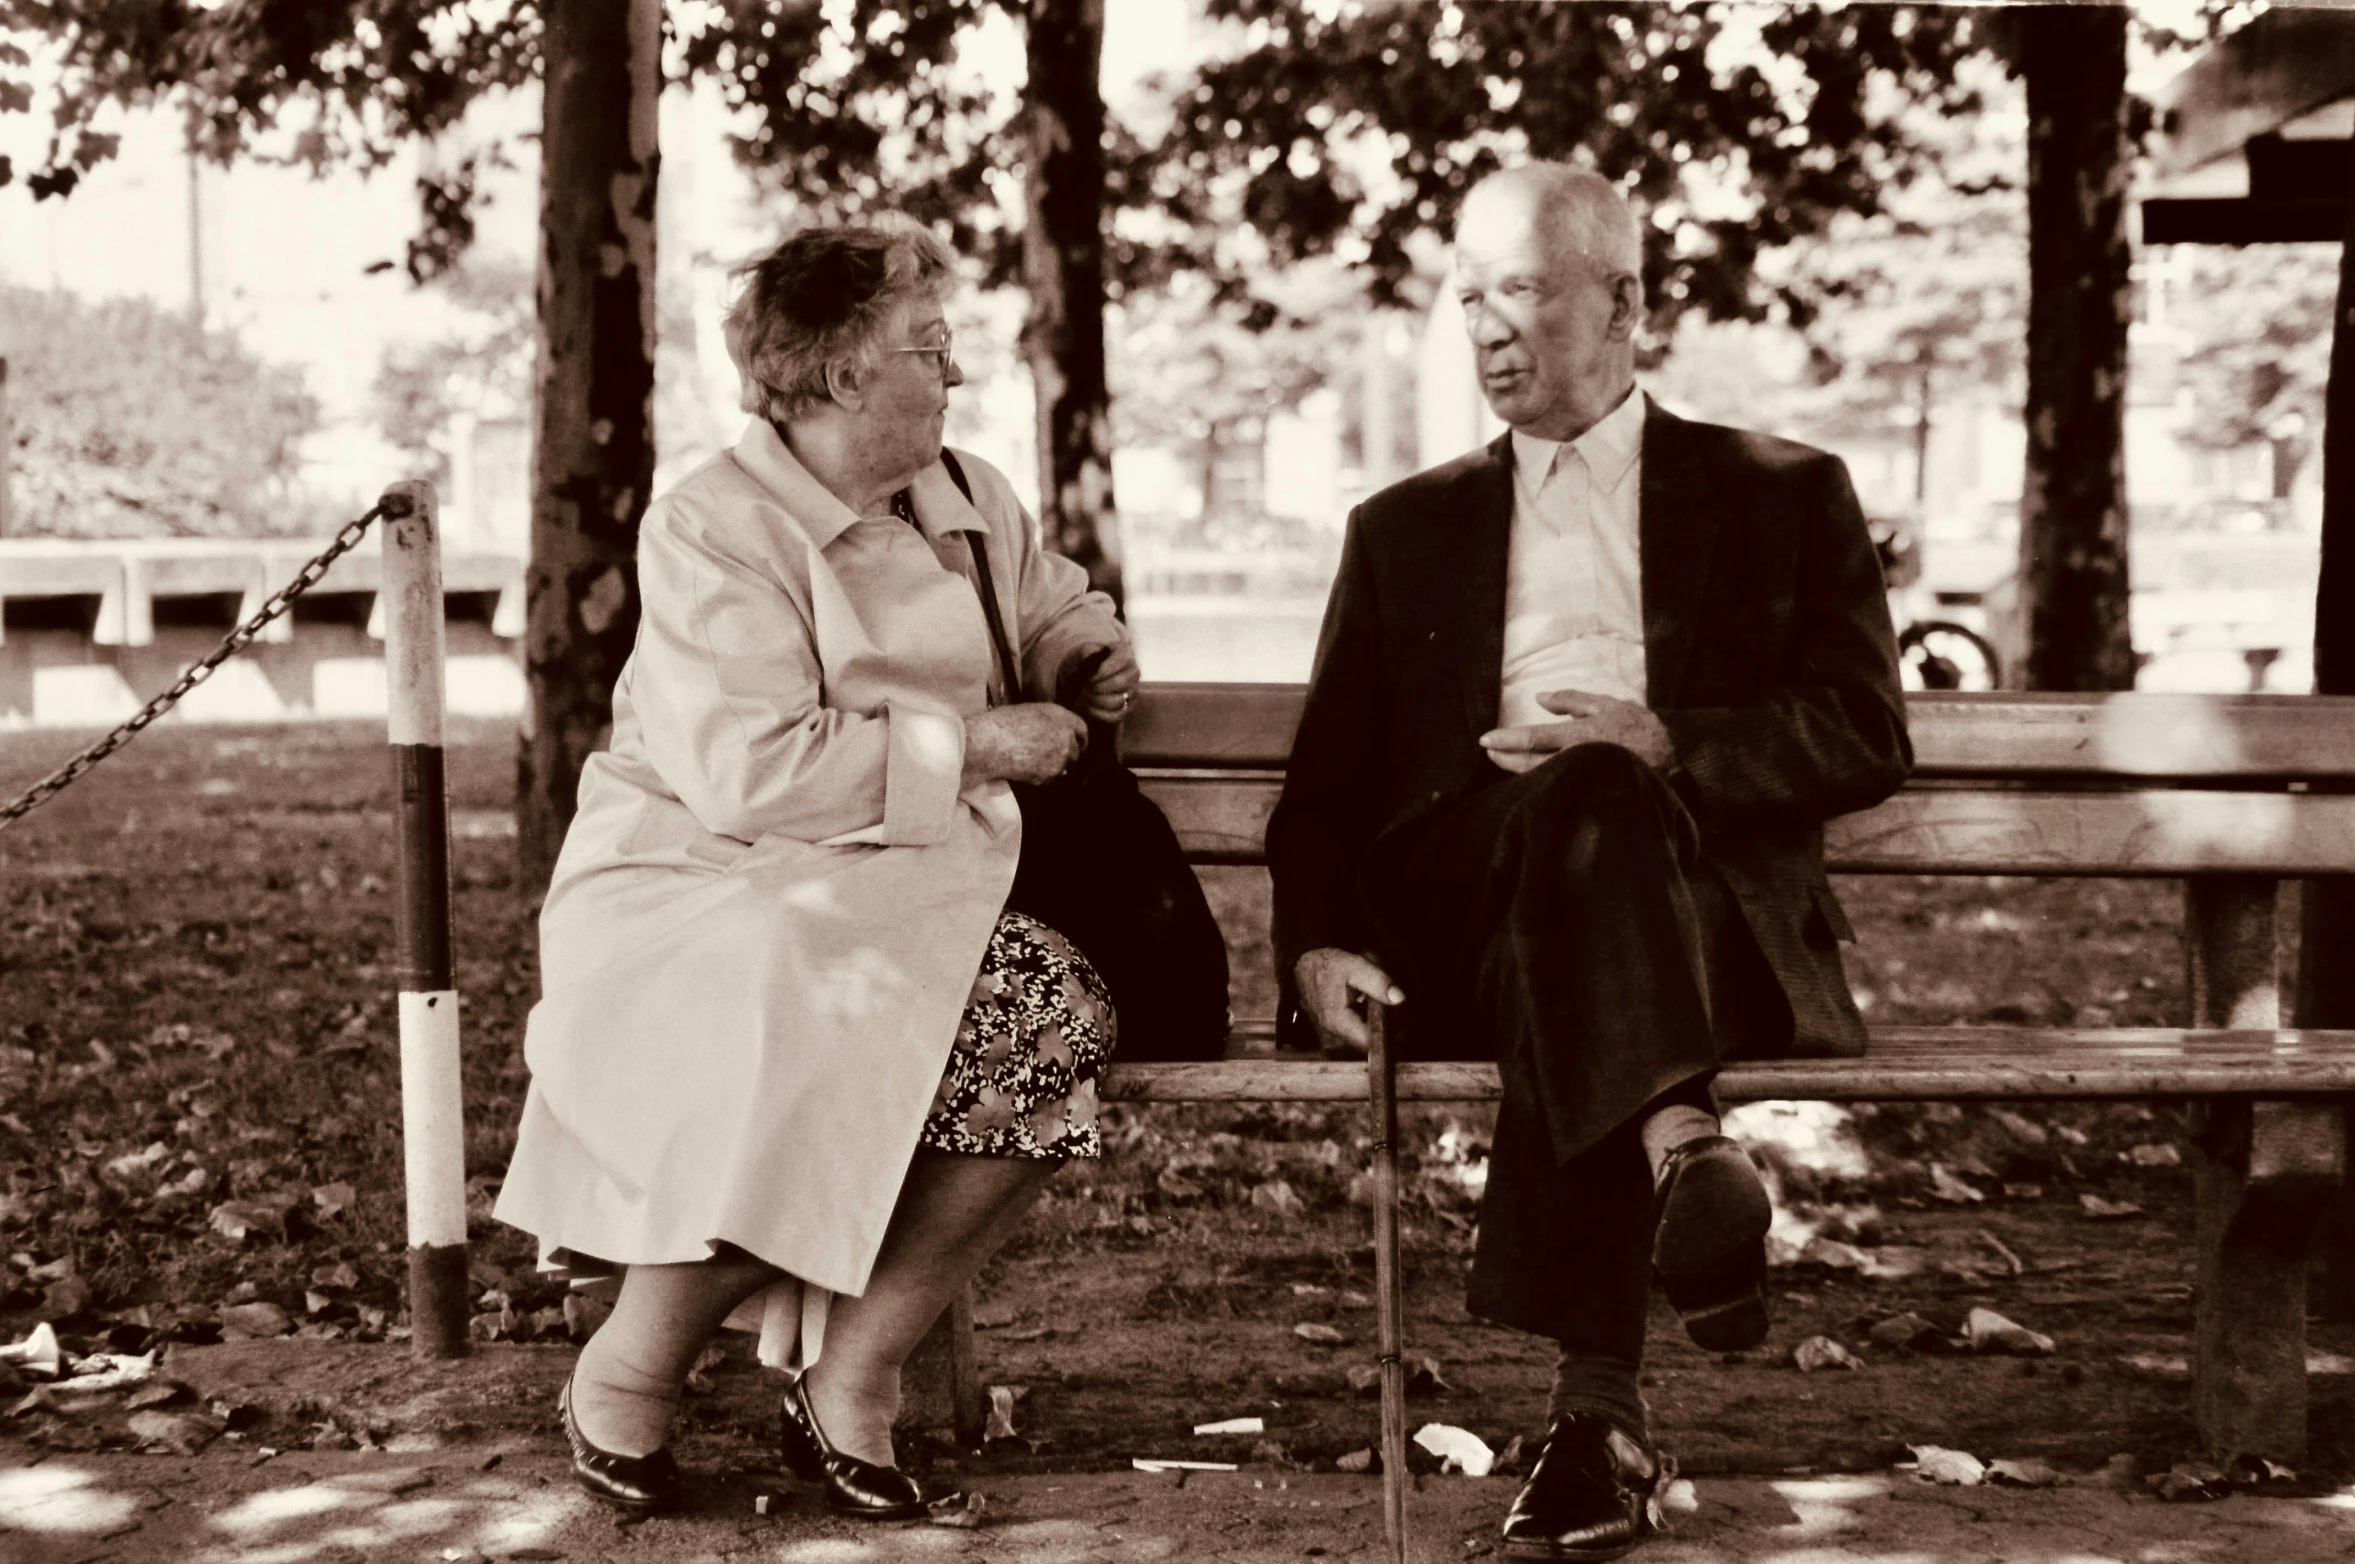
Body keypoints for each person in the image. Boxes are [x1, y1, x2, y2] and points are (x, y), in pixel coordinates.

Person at [1266, 163, 1911, 1560]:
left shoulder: (1781, 492)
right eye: (1468, 296)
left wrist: (1669, 741)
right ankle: (1683, 1150)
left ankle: (1598, 1421)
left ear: (1623, 299)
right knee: (1584, 825)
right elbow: (1323, 787)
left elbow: (1865, 729)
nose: (1487, 327)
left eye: (1522, 290)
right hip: (1453, 905)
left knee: (1599, 802)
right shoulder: (1403, 526)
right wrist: (1313, 941)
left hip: (1685, 910)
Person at [493, 219, 1139, 1521]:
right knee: (811, 1012)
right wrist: (979, 741)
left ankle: (855, 1373)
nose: (953, 372)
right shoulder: (712, 526)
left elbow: (1050, 597)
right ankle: (631, 1364)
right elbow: (751, 771)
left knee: (1040, 1014)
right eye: (929, 346)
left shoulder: (969, 493)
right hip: (708, 879)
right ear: (847, 376)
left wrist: (1080, 654)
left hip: (901, 879)